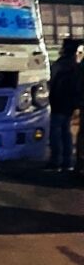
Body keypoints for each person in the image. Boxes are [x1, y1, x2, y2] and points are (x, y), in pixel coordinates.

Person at [47, 37, 83, 171]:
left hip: (57, 103)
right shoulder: (76, 66)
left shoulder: (60, 65)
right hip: (69, 105)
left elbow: (52, 83)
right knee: (66, 133)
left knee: (56, 132)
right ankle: (67, 162)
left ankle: (55, 161)